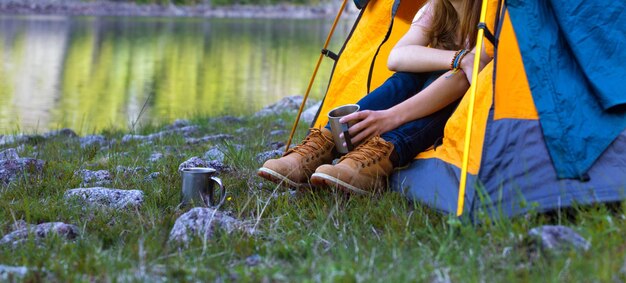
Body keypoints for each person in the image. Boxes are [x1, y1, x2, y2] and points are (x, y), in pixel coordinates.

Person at [258, 0, 491, 194]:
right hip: (429, 92)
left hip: (461, 107)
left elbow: (466, 77)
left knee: (445, 80)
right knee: (406, 78)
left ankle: (379, 159)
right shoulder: (437, 8)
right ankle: (326, 142)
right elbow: (396, 57)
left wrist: (390, 117)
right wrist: (460, 57)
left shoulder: (492, 12)